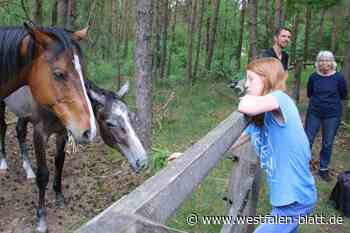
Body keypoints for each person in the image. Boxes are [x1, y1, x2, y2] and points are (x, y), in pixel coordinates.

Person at [232, 57, 317, 233]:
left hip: (295, 198)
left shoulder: (280, 99)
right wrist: (187, 158)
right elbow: (230, 144)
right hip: (283, 198)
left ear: (267, 79)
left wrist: (244, 95)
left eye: (251, 79)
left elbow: (246, 105)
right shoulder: (259, 122)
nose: (247, 84)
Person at [305, 50, 348, 182]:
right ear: (318, 63)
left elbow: (343, 95)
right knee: (307, 140)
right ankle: (302, 165)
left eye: (327, 60)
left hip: (332, 114)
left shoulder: (339, 78)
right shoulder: (313, 77)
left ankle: (323, 169)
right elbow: (309, 93)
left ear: (332, 62)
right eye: (322, 60)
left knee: (328, 142)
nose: (325, 63)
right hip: (314, 112)